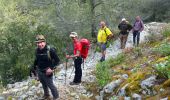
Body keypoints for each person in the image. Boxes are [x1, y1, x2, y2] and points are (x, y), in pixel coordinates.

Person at [32, 34, 60, 100]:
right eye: (38, 43)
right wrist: (34, 67)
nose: (40, 44)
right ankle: (46, 95)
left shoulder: (50, 50)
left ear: (44, 42)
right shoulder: (37, 50)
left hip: (47, 72)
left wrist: (51, 68)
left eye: (41, 42)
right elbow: (37, 59)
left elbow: (57, 61)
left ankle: (56, 97)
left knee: (51, 85)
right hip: (40, 71)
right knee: (43, 84)